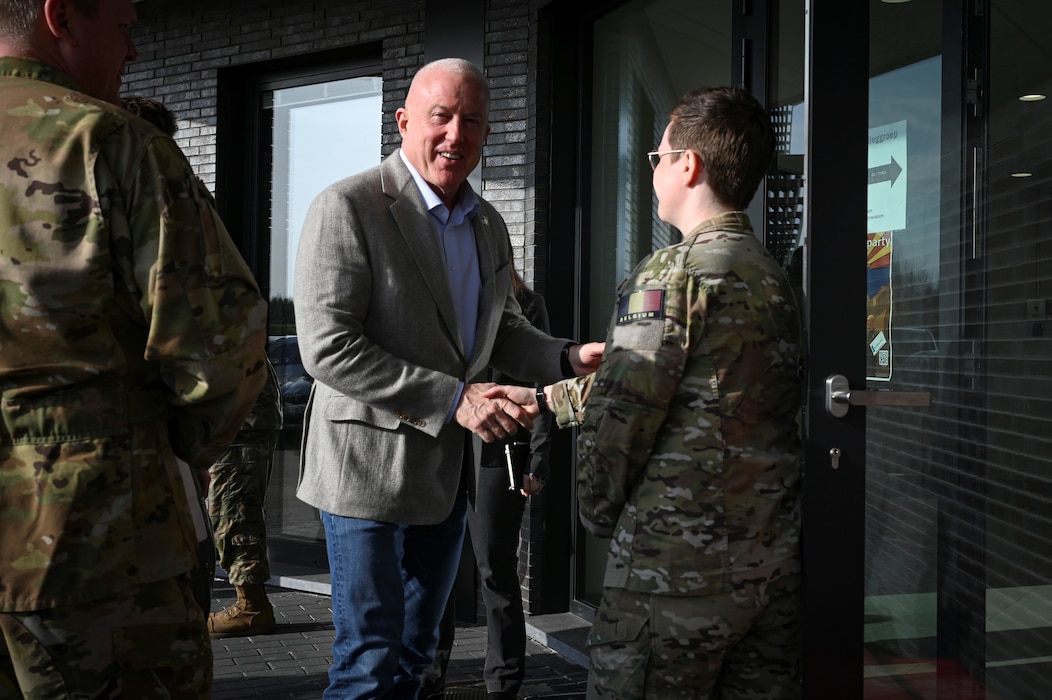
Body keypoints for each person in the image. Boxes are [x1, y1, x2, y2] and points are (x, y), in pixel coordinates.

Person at [293, 57, 603, 699]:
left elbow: (503, 331)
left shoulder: (487, 224)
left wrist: (571, 357)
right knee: (368, 659)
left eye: (472, 122)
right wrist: (455, 399)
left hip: (441, 478)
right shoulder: (346, 207)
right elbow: (327, 348)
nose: (455, 135)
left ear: (487, 135)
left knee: (417, 658)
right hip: (363, 475)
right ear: (405, 121)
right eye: (441, 117)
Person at [494, 86, 803, 698]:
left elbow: (625, 414)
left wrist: (600, 515)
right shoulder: (772, 276)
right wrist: (550, 399)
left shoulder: (670, 273)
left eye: (658, 156)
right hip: (769, 562)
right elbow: (701, 387)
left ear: (689, 164)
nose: (655, 168)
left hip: (675, 571)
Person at [0, 0, 268, 697]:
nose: (135, 54)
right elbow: (221, 349)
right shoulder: (109, 143)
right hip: (96, 554)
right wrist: (166, 451)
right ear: (60, 16)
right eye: (125, 27)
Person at [120, 93, 285, 638]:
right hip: (223, 388)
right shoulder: (175, 195)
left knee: (232, 501)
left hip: (228, 391)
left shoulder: (174, 199)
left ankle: (250, 601)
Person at [420, 264, 554, 700]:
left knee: (494, 569)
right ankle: (430, 674)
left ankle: (503, 684)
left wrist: (538, 461)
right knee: (436, 567)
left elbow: (544, 384)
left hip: (499, 453)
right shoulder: (448, 298)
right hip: (441, 448)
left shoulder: (528, 304)